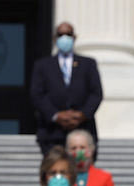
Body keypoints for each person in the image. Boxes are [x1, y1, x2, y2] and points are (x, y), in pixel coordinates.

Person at [29, 21, 103, 155]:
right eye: (60, 35)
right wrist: (56, 115)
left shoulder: (88, 64)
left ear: (74, 38)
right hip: (52, 133)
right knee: (56, 170)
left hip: (83, 131)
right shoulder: (42, 65)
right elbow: (37, 94)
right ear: (54, 39)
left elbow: (96, 93)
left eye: (68, 34)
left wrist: (82, 114)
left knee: (81, 173)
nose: (64, 38)